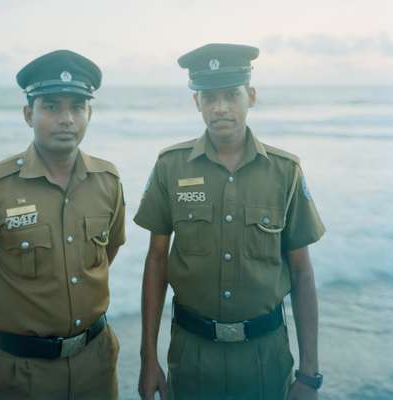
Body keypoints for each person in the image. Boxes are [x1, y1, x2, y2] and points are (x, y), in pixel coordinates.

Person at [134, 43, 325, 400]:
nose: (220, 107)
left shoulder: (285, 172)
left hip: (265, 357)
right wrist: (148, 358)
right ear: (197, 103)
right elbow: (156, 261)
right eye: (209, 97)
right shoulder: (170, 167)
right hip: (192, 357)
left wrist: (309, 373)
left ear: (250, 96)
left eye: (230, 95)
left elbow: (302, 272)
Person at [0, 49, 125, 400]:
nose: (66, 118)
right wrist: (12, 310)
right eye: (51, 106)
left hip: (96, 364)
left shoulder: (108, 181)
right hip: (20, 372)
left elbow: (107, 252)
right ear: (29, 114)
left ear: (89, 113)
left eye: (76, 106)